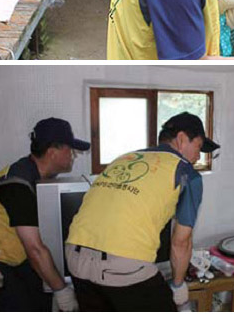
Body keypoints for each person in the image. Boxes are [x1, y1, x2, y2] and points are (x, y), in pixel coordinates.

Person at [66, 113, 217, 312]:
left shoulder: (124, 158)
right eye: (198, 147)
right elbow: (181, 241)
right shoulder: (186, 173)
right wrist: (179, 288)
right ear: (181, 139)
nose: (198, 156)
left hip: (75, 259)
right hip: (123, 266)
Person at [0, 118, 90, 312]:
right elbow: (34, 248)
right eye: (70, 149)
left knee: (41, 300)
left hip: (17, 255)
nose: (74, 155)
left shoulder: (37, 175)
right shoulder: (18, 185)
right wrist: (62, 291)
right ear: (52, 152)